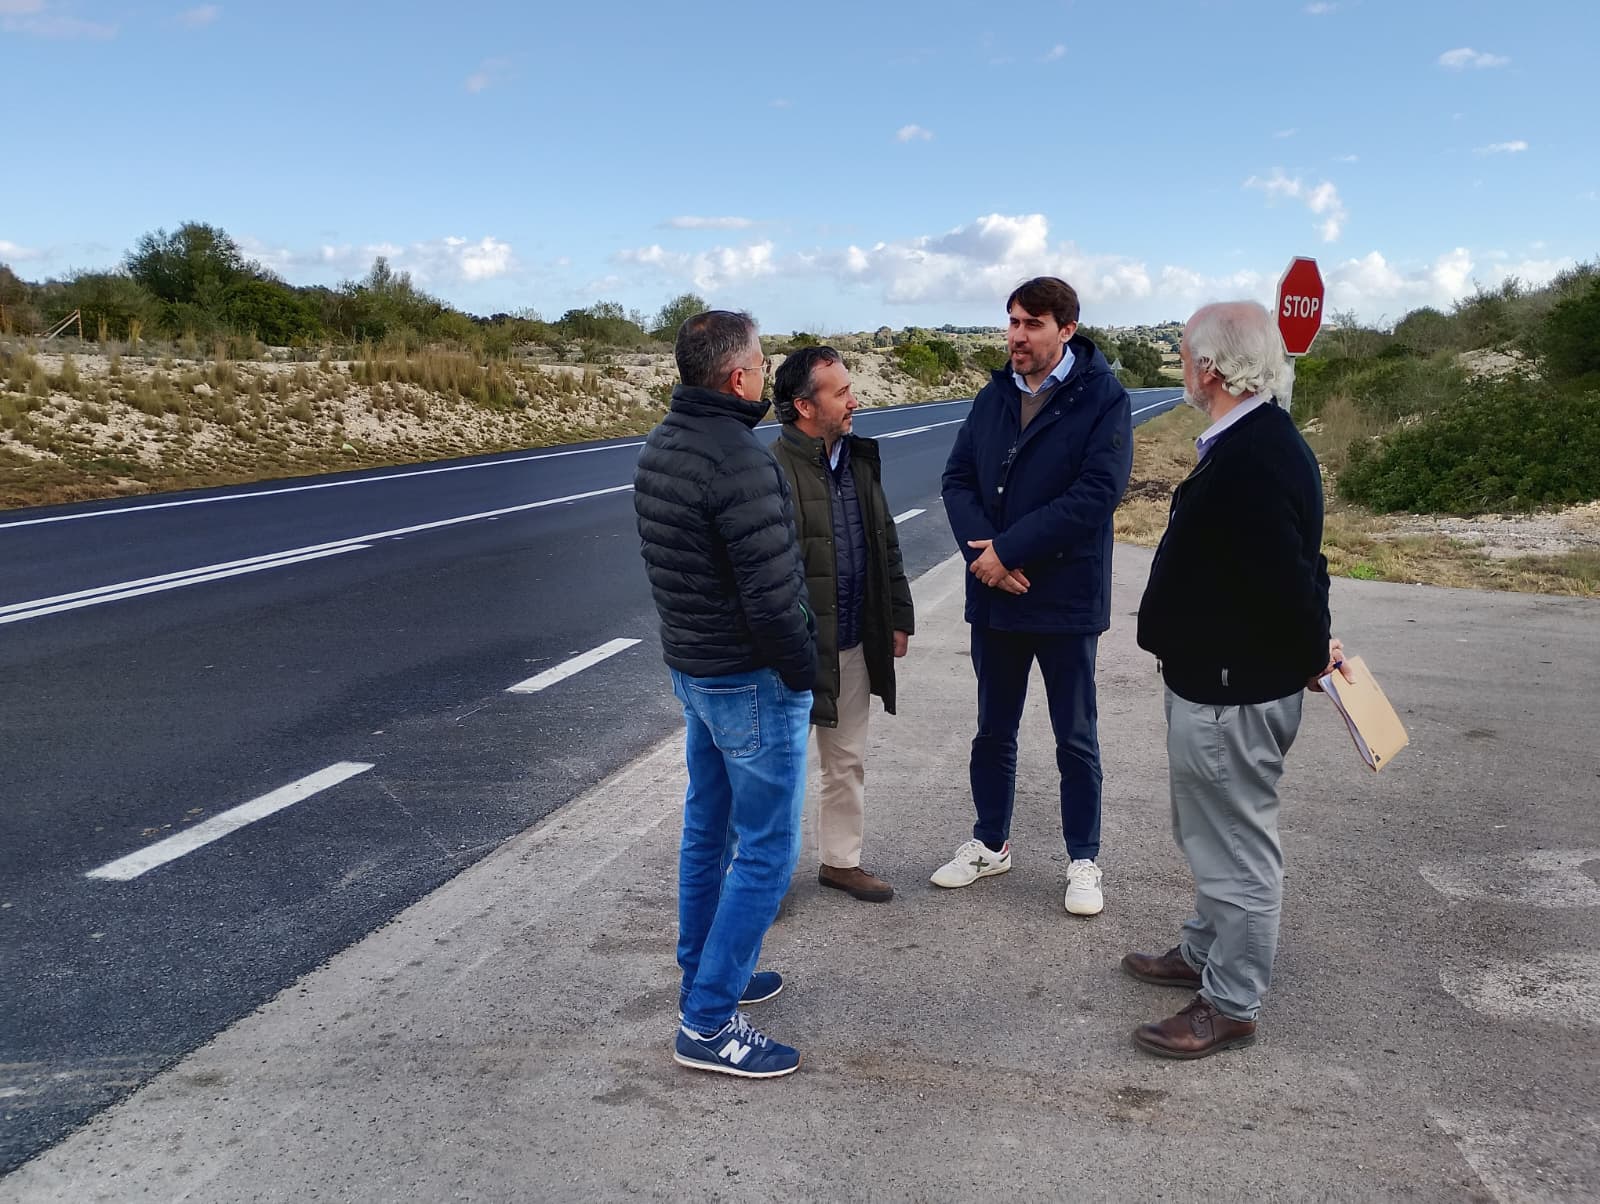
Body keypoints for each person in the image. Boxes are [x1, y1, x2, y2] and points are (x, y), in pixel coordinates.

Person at [1125, 300, 1350, 1059]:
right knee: (1207, 833)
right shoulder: (1253, 439)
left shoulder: (1253, 455)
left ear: (1211, 369)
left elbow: (1290, 578)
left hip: (1233, 692)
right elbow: (1293, 566)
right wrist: (1312, 641)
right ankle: (1203, 950)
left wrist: (1311, 644)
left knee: (1237, 848)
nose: (1183, 369)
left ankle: (1231, 1002)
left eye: (1187, 356)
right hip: (1219, 679)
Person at [633, 310, 817, 1079]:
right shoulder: (740, 461)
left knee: (708, 829)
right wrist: (806, 674)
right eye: (762, 361)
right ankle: (708, 1023)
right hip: (749, 680)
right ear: (738, 376)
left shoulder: (663, 445)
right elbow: (774, 600)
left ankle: (707, 971)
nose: (767, 372)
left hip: (697, 671)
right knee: (767, 851)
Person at [933, 276, 1132, 916]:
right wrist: (984, 556)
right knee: (993, 730)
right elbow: (958, 478)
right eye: (1012, 321)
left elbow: (1095, 495)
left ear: (1066, 329)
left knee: (1075, 736)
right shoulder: (995, 395)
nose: (1017, 336)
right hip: (996, 597)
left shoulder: (1103, 398)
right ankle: (990, 843)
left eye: (1031, 324)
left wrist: (1008, 551)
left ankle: (1083, 860)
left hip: (1065, 598)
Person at [770, 346, 915, 904]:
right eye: (841, 392)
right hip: (793, 653)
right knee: (776, 775)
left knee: (846, 760)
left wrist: (897, 616)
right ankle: (764, 880)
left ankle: (841, 862)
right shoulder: (773, 469)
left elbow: (886, 544)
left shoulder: (858, 460)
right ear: (805, 407)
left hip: (854, 640)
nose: (854, 400)